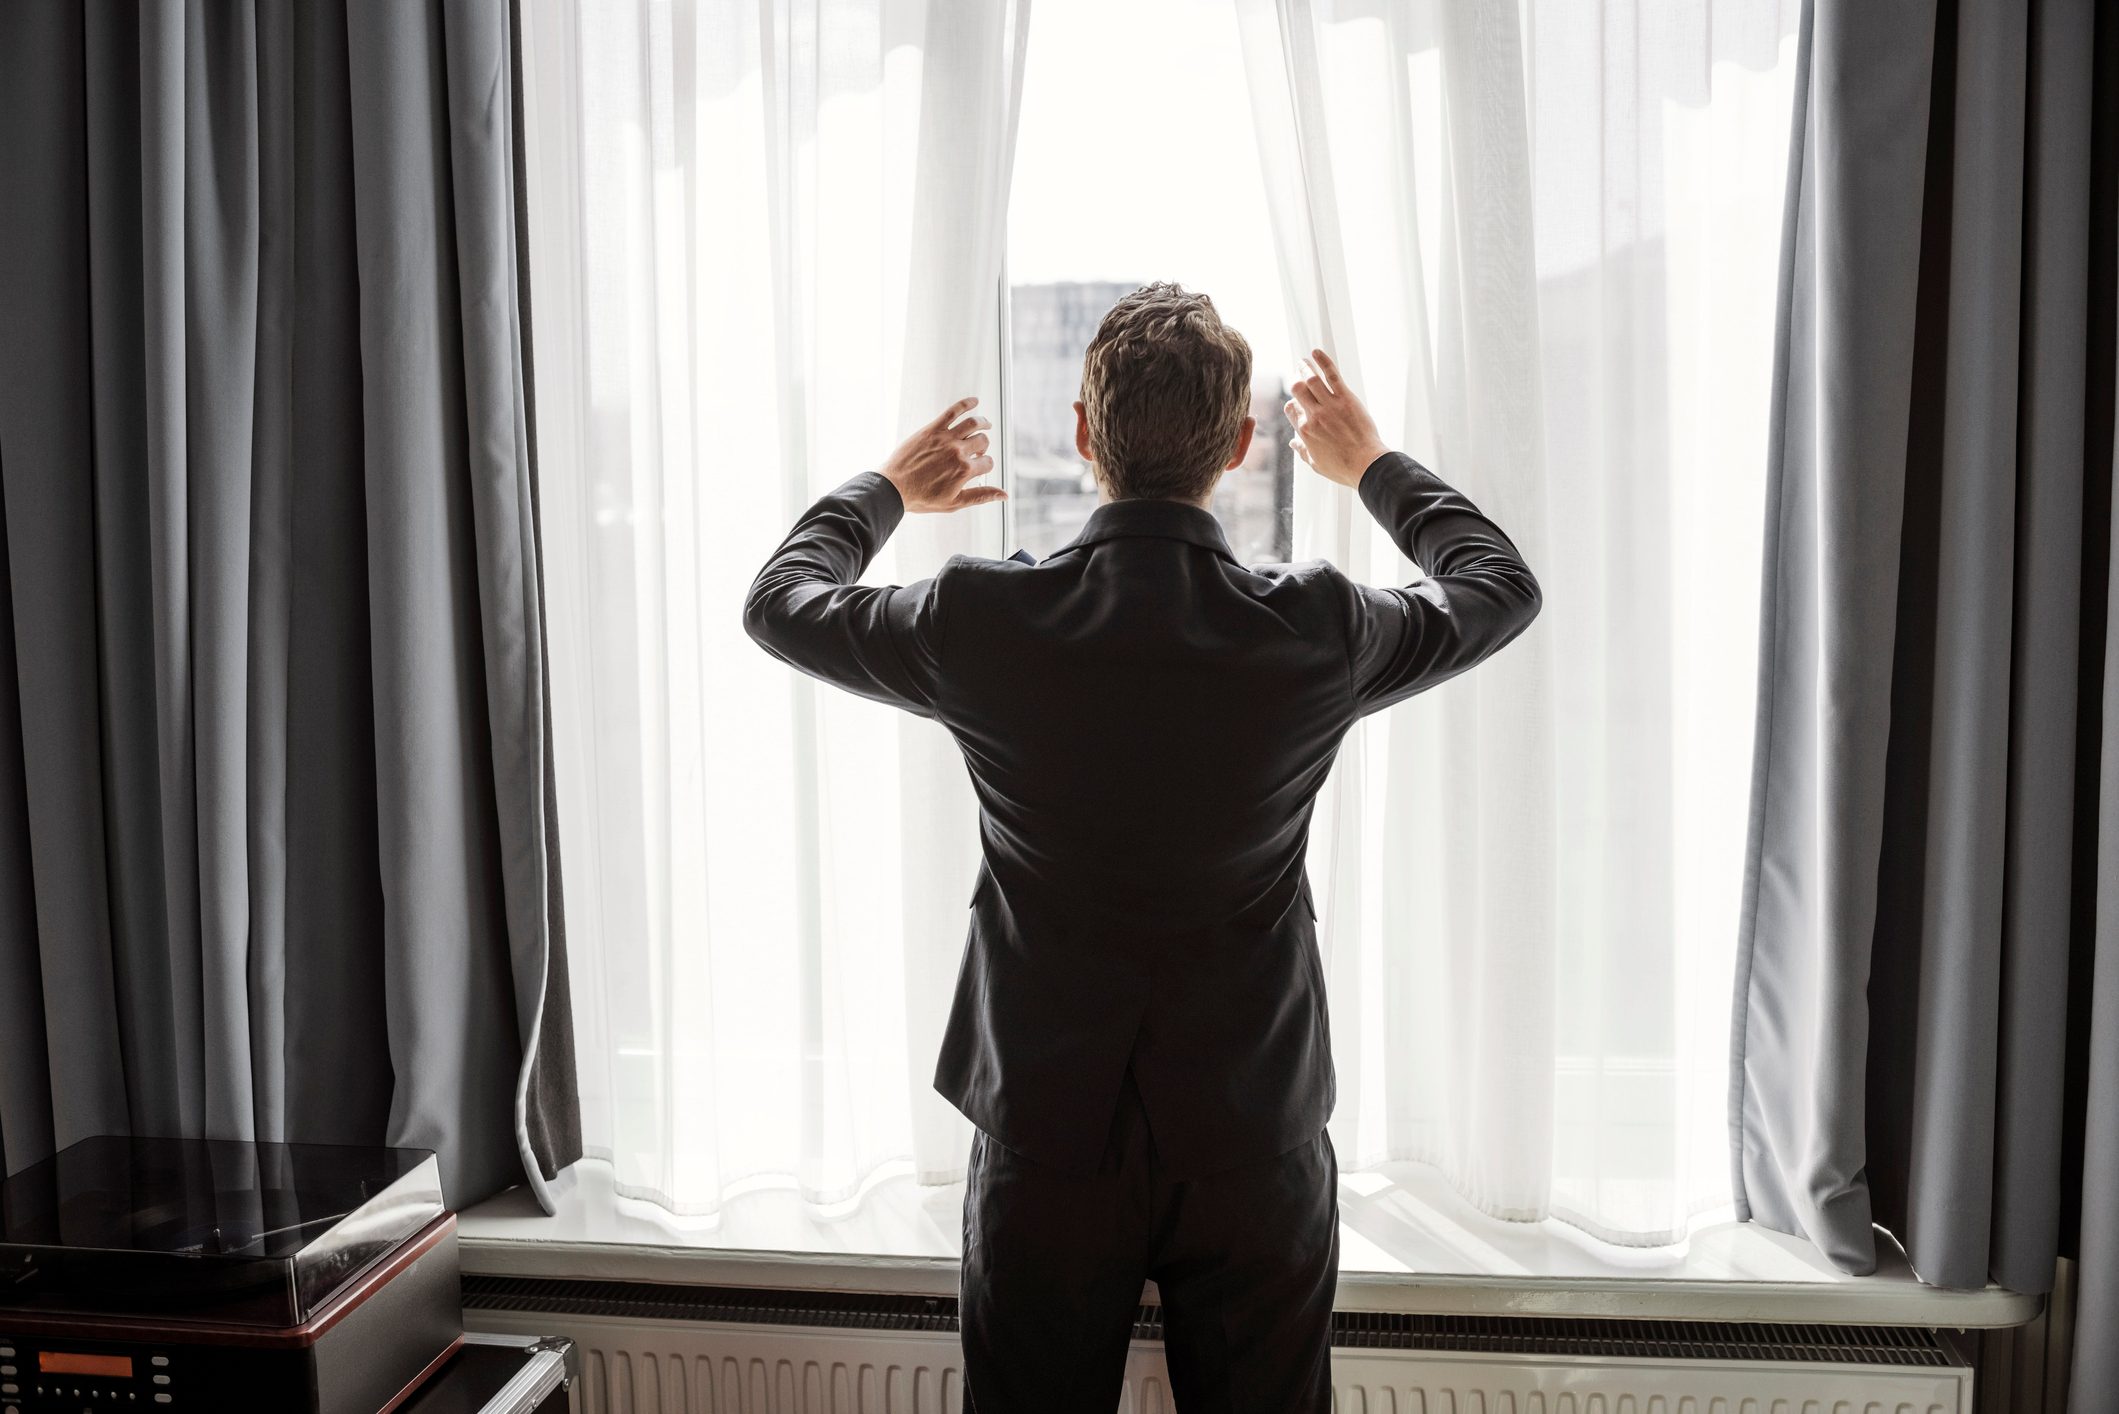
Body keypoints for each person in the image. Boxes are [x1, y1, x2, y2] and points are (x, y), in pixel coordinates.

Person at [743, 282, 1540, 1412]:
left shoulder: (981, 618)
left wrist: (884, 491)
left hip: (1048, 1134)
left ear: (1082, 431)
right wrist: (1372, 466)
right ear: (1240, 445)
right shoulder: (1315, 623)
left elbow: (782, 601)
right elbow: (1498, 586)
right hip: (1250, 1132)